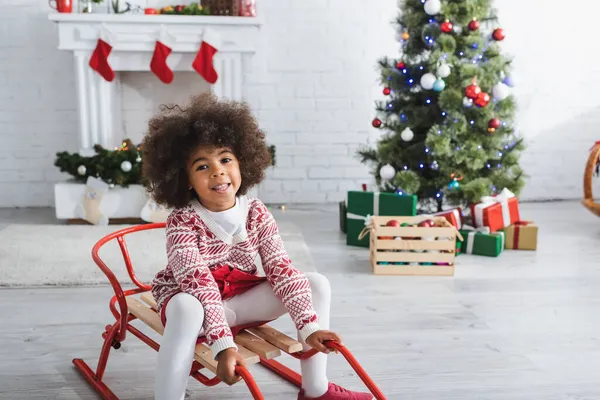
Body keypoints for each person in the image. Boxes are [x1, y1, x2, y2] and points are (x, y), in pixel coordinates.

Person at [141, 93, 372, 400]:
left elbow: (280, 268)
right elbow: (198, 284)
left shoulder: (256, 211)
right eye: (202, 166)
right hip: (195, 308)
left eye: (225, 160)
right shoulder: (182, 221)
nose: (217, 171)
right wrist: (224, 346)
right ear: (185, 180)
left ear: (242, 163)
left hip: (238, 302)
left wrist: (309, 326)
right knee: (187, 305)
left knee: (315, 284)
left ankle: (316, 389)